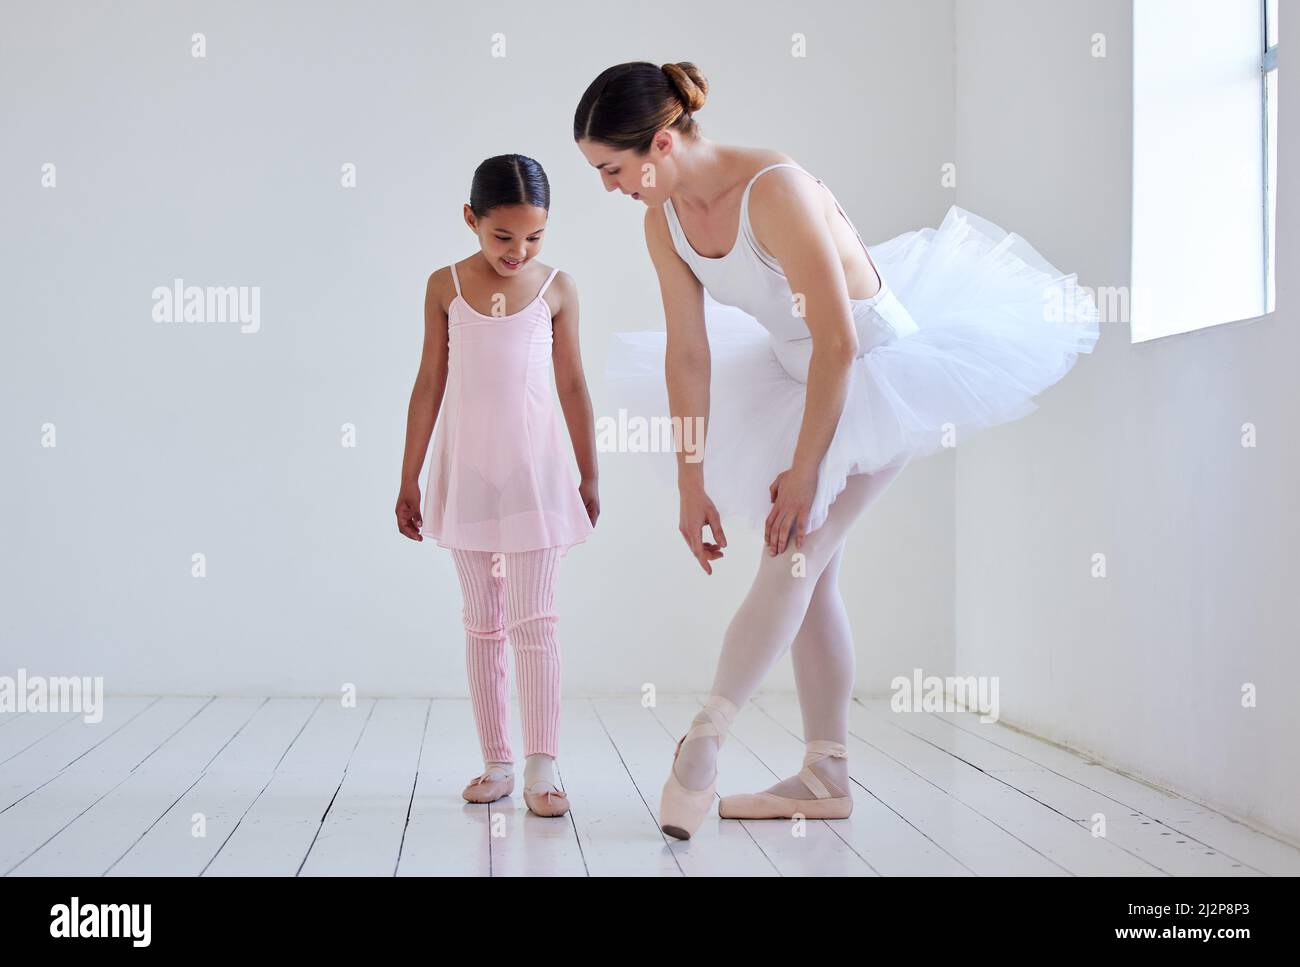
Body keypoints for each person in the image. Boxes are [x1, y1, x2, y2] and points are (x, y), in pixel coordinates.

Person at [574, 62, 1099, 839]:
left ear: (659, 141)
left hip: (873, 369)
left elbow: (840, 338)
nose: (610, 188)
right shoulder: (665, 221)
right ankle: (826, 774)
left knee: (793, 552)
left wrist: (807, 468)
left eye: (612, 170)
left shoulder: (774, 189)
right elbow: (686, 356)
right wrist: (692, 482)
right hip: (795, 373)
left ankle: (704, 742)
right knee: (812, 577)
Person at [395, 154, 599, 818]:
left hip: (536, 475)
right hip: (468, 475)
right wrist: (409, 477)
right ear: (471, 221)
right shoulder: (444, 285)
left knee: (535, 621)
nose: (518, 251)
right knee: (482, 623)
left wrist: (588, 470)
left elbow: (571, 384)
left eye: (534, 237)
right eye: (502, 236)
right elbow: (429, 383)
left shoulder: (557, 289)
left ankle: (544, 764)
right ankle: (498, 761)